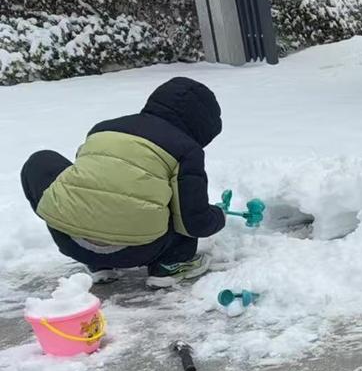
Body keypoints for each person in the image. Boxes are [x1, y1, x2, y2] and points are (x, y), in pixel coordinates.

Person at [20, 76, 226, 288]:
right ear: (202, 126)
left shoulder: (103, 129)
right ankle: (169, 265)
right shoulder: (186, 149)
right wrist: (218, 215)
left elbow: (85, 188)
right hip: (140, 250)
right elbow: (194, 222)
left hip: (72, 243)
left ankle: (97, 263)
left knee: (41, 161)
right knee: (178, 204)